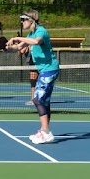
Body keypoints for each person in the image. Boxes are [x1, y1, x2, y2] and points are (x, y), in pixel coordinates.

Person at [7, 10, 59, 144]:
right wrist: (7, 46)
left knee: (37, 100)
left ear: (32, 20)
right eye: (21, 19)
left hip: (49, 70)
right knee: (44, 101)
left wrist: (18, 38)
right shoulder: (30, 34)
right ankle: (44, 130)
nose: (22, 22)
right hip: (45, 70)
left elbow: (36, 42)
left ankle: (46, 132)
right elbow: (18, 47)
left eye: (24, 19)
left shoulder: (40, 31)